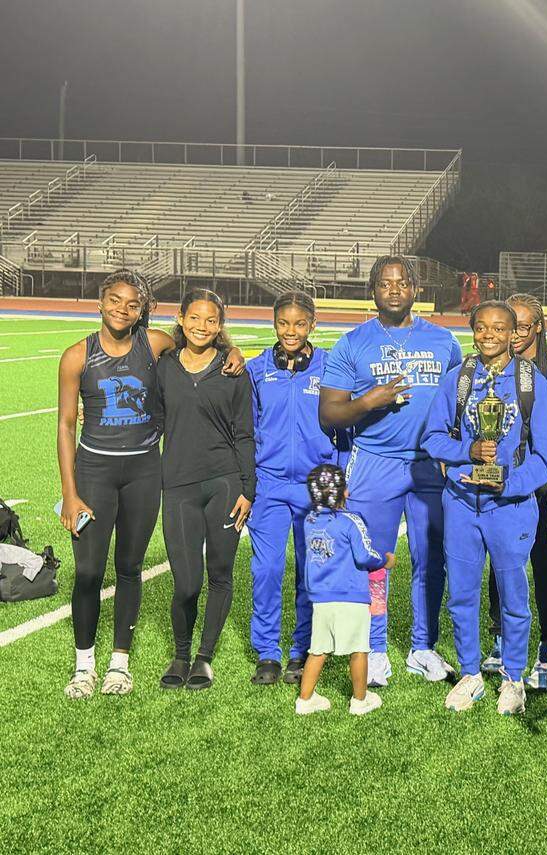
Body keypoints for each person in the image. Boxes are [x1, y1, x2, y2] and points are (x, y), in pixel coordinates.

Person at [54, 270, 243, 699]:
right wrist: (69, 493)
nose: (122, 309)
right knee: (88, 571)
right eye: (114, 300)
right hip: (95, 471)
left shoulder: (155, 343)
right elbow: (65, 426)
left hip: (143, 471)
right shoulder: (76, 356)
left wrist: (233, 351)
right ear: (100, 303)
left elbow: (201, 346)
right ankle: (83, 666)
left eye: (132, 303)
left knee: (129, 567)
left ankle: (119, 664)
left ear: (143, 310)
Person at [319, 255, 462, 687]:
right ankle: (376, 648)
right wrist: (368, 401)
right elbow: (329, 413)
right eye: (385, 283)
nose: (394, 289)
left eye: (402, 283)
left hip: (428, 463)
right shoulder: (352, 342)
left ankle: (423, 647)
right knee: (373, 561)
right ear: (373, 291)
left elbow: (460, 403)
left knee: (431, 559)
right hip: (374, 462)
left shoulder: (444, 341)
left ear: (416, 289)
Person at [422, 300, 547, 714]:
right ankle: (470, 673)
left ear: (515, 333)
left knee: (513, 596)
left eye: (500, 328)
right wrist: (469, 451)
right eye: (482, 327)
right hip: (462, 502)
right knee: (462, 594)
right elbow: (432, 438)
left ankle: (513, 677)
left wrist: (509, 484)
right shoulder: (459, 378)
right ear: (473, 330)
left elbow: (545, 455)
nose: (490, 335)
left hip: (510, 506)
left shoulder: (531, 382)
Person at [247, 292, 349, 686]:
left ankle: (302, 650)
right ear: (274, 324)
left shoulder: (330, 367)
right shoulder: (256, 370)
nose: (291, 331)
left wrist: (339, 478)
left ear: (312, 325)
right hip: (269, 485)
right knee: (267, 570)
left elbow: (345, 426)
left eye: (300, 324)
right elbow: (246, 427)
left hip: (316, 487)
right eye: (283, 323)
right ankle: (267, 652)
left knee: (312, 570)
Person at [157, 289, 255, 691]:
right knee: (186, 582)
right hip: (178, 484)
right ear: (181, 319)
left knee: (220, 573)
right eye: (194, 318)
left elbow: (244, 433)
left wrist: (248, 489)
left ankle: (203, 658)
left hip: (224, 484)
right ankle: (180, 654)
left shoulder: (233, 370)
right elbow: (148, 419)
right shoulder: (163, 367)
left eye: (211, 320)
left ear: (220, 325)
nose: (202, 326)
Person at [482, 293, 547, 690]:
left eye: (521, 327)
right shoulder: (488, 369)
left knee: (545, 567)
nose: (512, 334)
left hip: (543, 487)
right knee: (501, 566)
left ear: (537, 328)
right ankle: (500, 639)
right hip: (500, 487)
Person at [294, 464, 392, 716]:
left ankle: (305, 699)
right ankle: (360, 700)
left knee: (318, 650)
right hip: (351, 597)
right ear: (344, 492)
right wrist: (385, 560)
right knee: (359, 649)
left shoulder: (309, 521)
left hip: (321, 598)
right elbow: (364, 556)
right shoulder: (351, 521)